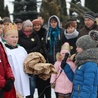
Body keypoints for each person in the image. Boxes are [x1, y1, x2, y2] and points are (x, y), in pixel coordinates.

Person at [64, 30, 98, 98]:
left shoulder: (90, 65)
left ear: (86, 48)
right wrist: (65, 67)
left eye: (78, 47)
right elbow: (76, 79)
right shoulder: (82, 63)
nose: (76, 49)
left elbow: (88, 87)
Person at [3, 23, 30, 97]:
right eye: (12, 37)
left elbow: (27, 63)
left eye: (16, 37)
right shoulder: (5, 50)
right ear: (5, 37)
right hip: (12, 80)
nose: (15, 39)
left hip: (23, 79)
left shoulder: (21, 49)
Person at [18, 19, 41, 98]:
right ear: (23, 27)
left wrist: (31, 51)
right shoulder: (19, 35)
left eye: (31, 26)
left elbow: (38, 45)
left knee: (32, 81)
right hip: (22, 59)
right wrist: (24, 51)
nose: (29, 28)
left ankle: (30, 95)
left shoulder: (34, 35)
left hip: (32, 59)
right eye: (27, 26)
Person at [32, 19, 51, 98]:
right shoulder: (32, 34)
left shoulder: (45, 33)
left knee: (47, 80)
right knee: (39, 81)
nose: (37, 27)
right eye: (35, 25)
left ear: (41, 25)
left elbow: (48, 45)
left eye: (38, 25)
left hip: (45, 58)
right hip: (37, 60)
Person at [0, 21, 16, 98]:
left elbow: (6, 63)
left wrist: (10, 78)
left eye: (0, 27)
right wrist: (3, 83)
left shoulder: (0, 45)